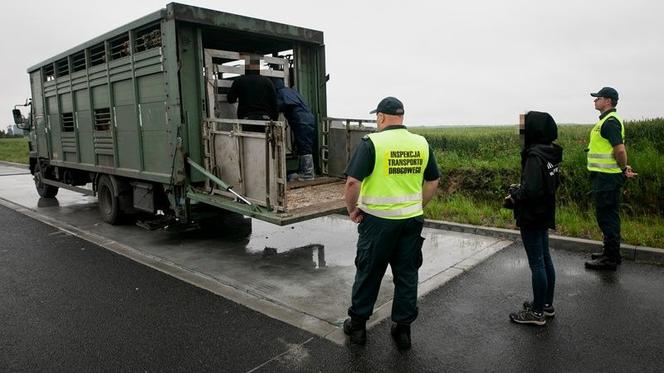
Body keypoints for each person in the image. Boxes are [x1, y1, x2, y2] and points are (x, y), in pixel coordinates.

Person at [342, 97, 440, 349]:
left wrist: (352, 210)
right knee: (407, 275)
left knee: (369, 272)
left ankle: (358, 329)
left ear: (382, 117)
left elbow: (353, 183)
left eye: (377, 117)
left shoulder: (372, 142)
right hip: (410, 221)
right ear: (402, 117)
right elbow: (432, 182)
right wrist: (417, 206)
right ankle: (403, 330)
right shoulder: (421, 143)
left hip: (377, 222)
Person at [505, 111, 562, 326]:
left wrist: (514, 194)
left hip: (532, 215)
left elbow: (530, 192)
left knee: (537, 263)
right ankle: (546, 305)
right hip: (546, 212)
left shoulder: (533, 156)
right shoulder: (551, 153)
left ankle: (537, 313)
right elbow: (552, 184)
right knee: (545, 258)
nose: (522, 130)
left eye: (524, 126)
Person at [584, 87, 637, 271]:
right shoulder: (607, 120)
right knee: (607, 215)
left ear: (607, 101)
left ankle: (610, 258)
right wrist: (623, 168)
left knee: (607, 217)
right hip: (604, 177)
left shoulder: (610, 122)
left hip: (607, 179)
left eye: (597, 98)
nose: (594, 101)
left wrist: (623, 168)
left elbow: (620, 150)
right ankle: (610, 253)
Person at [272, 78, 316, 180]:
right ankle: (303, 172)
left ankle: (308, 175)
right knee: (302, 145)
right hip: (308, 119)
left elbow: (278, 106)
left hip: (301, 121)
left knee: (305, 146)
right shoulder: (291, 91)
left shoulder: (281, 93)